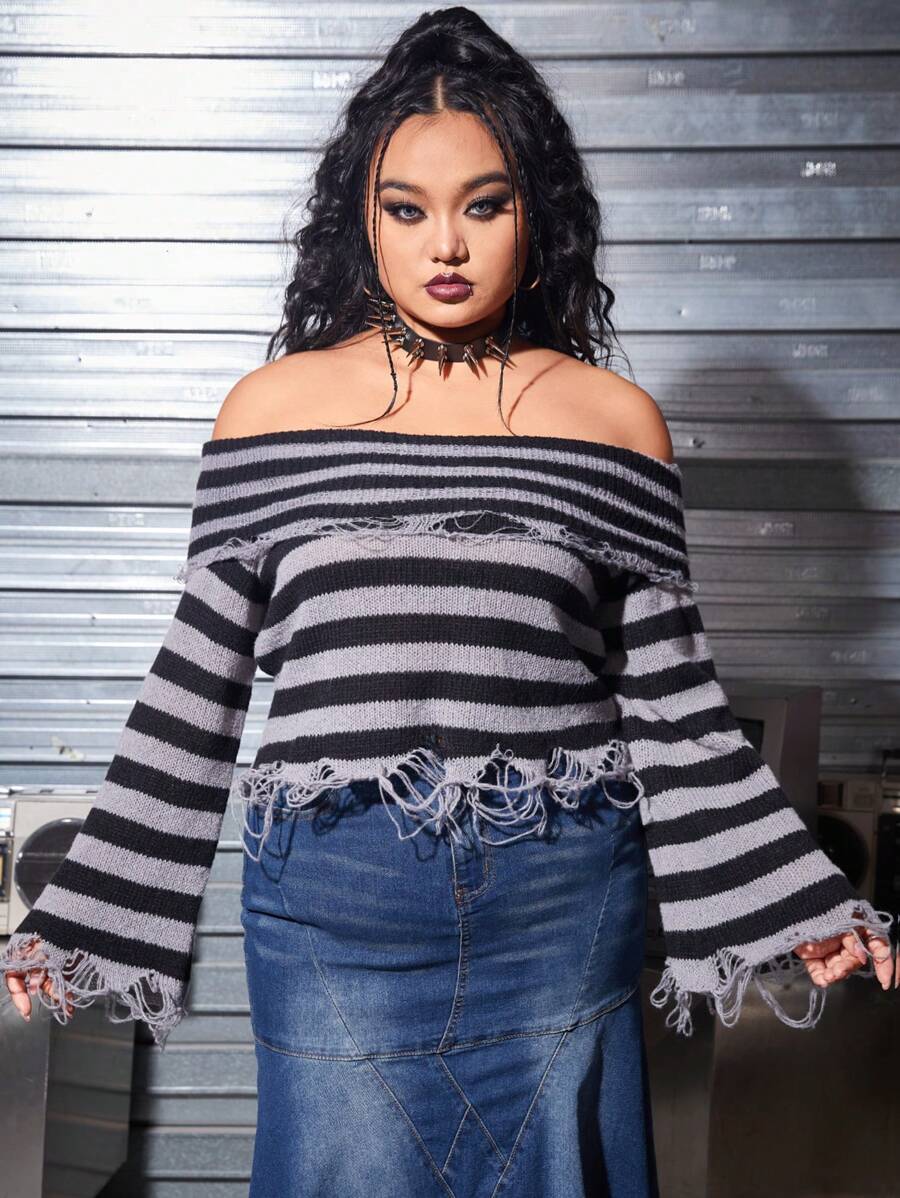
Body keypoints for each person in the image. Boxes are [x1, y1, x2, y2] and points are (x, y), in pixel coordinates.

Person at [3, 8, 894, 1196]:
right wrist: (86, 914)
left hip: (559, 902)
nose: (448, 246)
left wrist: (790, 898)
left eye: (485, 204)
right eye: (408, 209)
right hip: (336, 904)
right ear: (362, 219)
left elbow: (675, 705)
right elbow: (193, 687)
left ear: (538, 215)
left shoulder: (610, 422)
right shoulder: (271, 410)